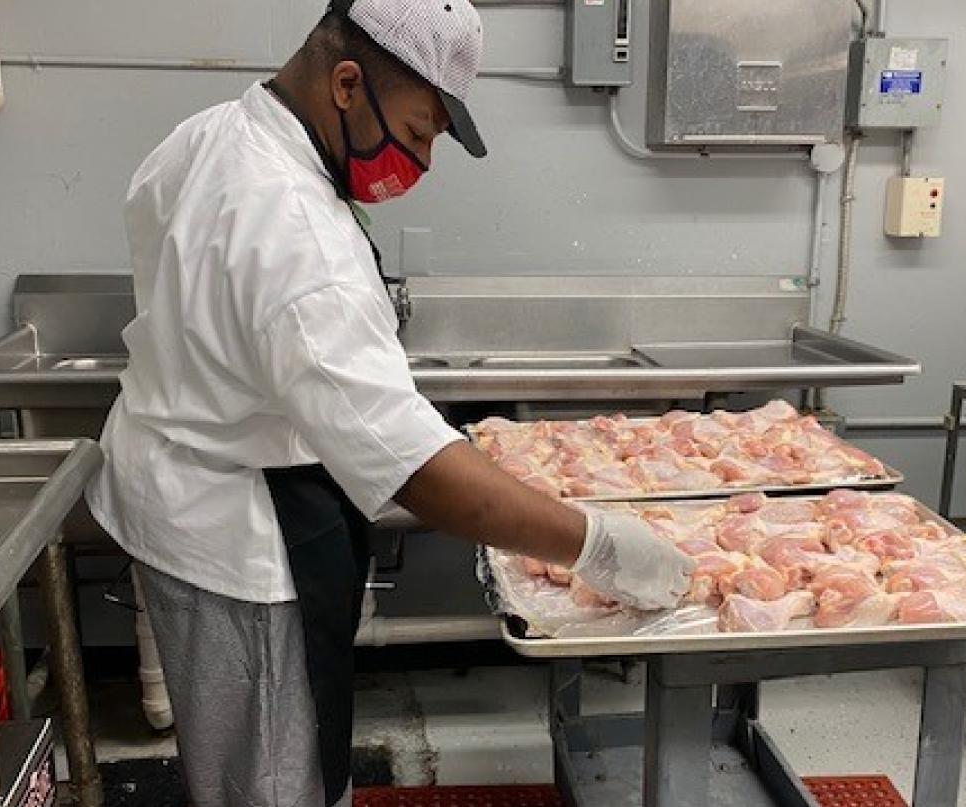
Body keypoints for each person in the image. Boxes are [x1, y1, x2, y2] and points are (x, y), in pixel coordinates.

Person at [85, 1, 694, 805]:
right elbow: (415, 467)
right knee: (275, 784)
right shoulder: (297, 234)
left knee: (239, 768)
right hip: (241, 536)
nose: (424, 161)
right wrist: (601, 546)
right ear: (347, 83)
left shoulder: (206, 138)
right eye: (419, 132)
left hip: (181, 488)